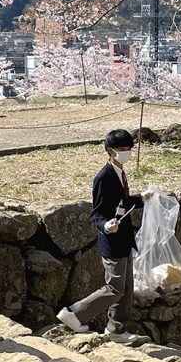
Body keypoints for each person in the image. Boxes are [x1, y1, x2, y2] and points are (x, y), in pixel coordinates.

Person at [56, 129, 151, 342]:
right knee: (115, 288)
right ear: (110, 150)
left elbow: (121, 203)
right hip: (112, 240)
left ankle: (117, 329)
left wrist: (141, 199)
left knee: (126, 288)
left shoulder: (119, 171)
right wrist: (105, 225)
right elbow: (96, 212)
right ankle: (75, 313)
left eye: (129, 148)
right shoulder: (103, 176)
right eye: (121, 149)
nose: (126, 152)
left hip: (124, 238)